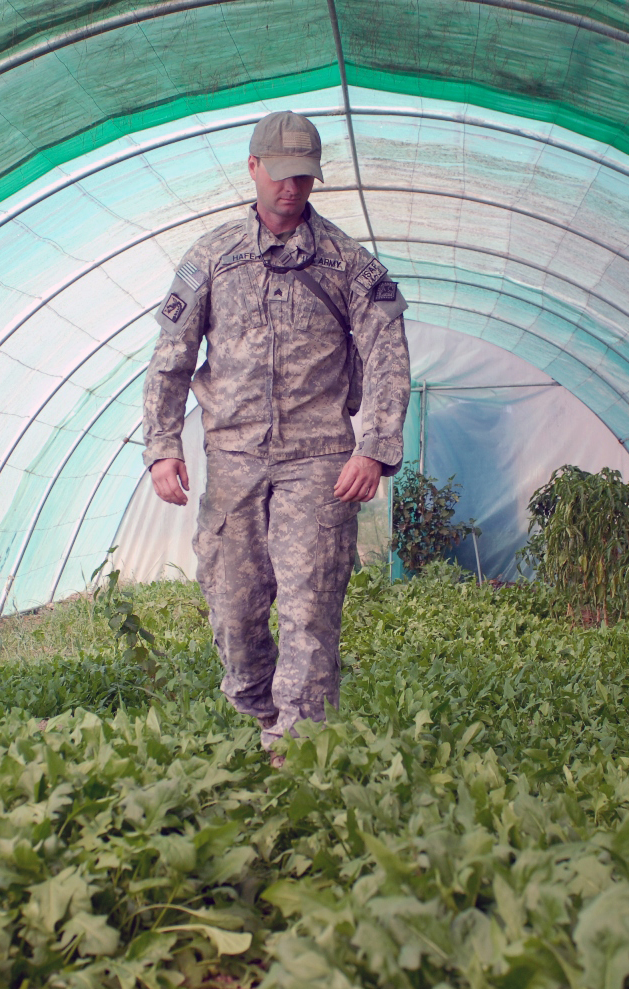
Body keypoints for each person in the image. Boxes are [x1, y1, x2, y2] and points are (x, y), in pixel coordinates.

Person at [141, 111, 410, 756]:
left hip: (319, 462)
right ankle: (264, 711)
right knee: (233, 613)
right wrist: (162, 445)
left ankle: (297, 748)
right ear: (254, 167)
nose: (293, 188)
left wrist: (373, 448)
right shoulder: (213, 258)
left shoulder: (348, 263)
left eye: (305, 176)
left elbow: (387, 355)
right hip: (232, 458)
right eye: (282, 173)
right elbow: (171, 355)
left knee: (310, 613)